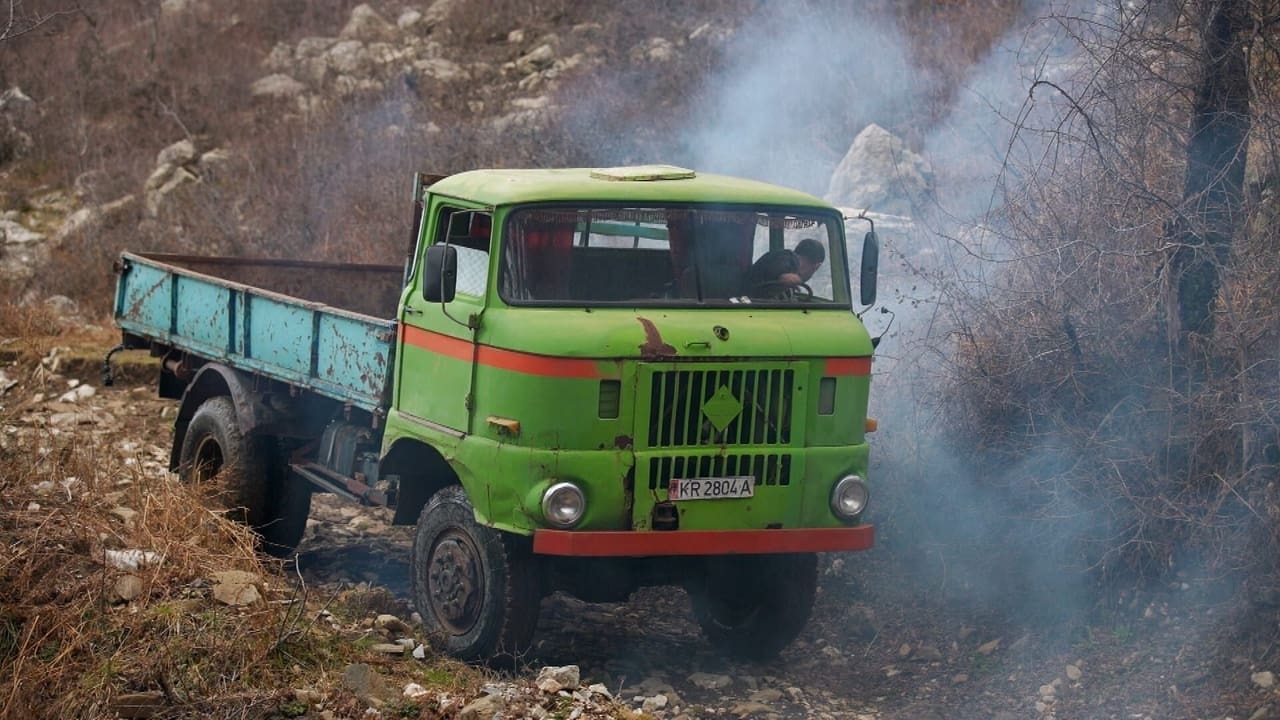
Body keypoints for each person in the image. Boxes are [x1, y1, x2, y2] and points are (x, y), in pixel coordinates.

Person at [744, 238, 825, 295]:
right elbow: (776, 267)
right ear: (816, 267)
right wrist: (782, 275)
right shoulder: (787, 259)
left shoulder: (784, 256)